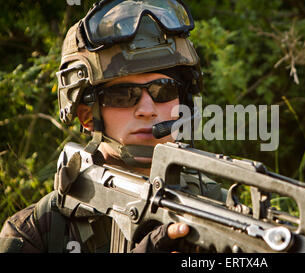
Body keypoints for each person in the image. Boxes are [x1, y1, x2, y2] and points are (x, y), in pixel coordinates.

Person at [0, 0, 222, 253]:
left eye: (164, 89)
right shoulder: (35, 232)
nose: (147, 109)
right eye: (123, 95)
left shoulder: (220, 213)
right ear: (86, 115)